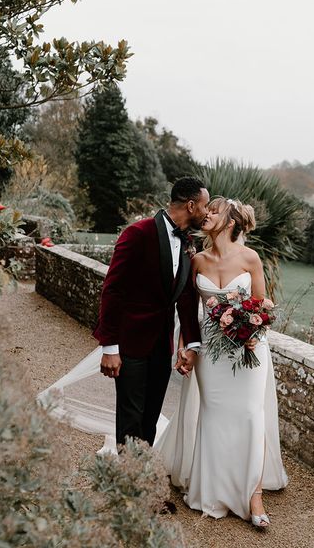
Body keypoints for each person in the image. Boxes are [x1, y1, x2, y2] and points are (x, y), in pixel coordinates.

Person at [154, 197, 288, 527]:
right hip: (211, 353)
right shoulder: (196, 259)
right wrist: (186, 347)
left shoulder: (250, 258)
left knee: (249, 416)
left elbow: (264, 304)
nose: (207, 214)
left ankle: (253, 497)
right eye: (207, 209)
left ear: (230, 223)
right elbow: (187, 312)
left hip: (249, 349)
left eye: (214, 211)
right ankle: (210, 490)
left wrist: (253, 323)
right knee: (213, 416)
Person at [94, 177, 210, 447]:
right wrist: (109, 347)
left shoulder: (188, 243)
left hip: (162, 346)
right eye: (205, 206)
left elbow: (185, 295)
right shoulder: (138, 233)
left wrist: (191, 343)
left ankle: (141, 475)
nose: (207, 213)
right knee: (131, 417)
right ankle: (125, 483)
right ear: (191, 205)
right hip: (130, 344)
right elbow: (112, 290)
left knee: (150, 417)